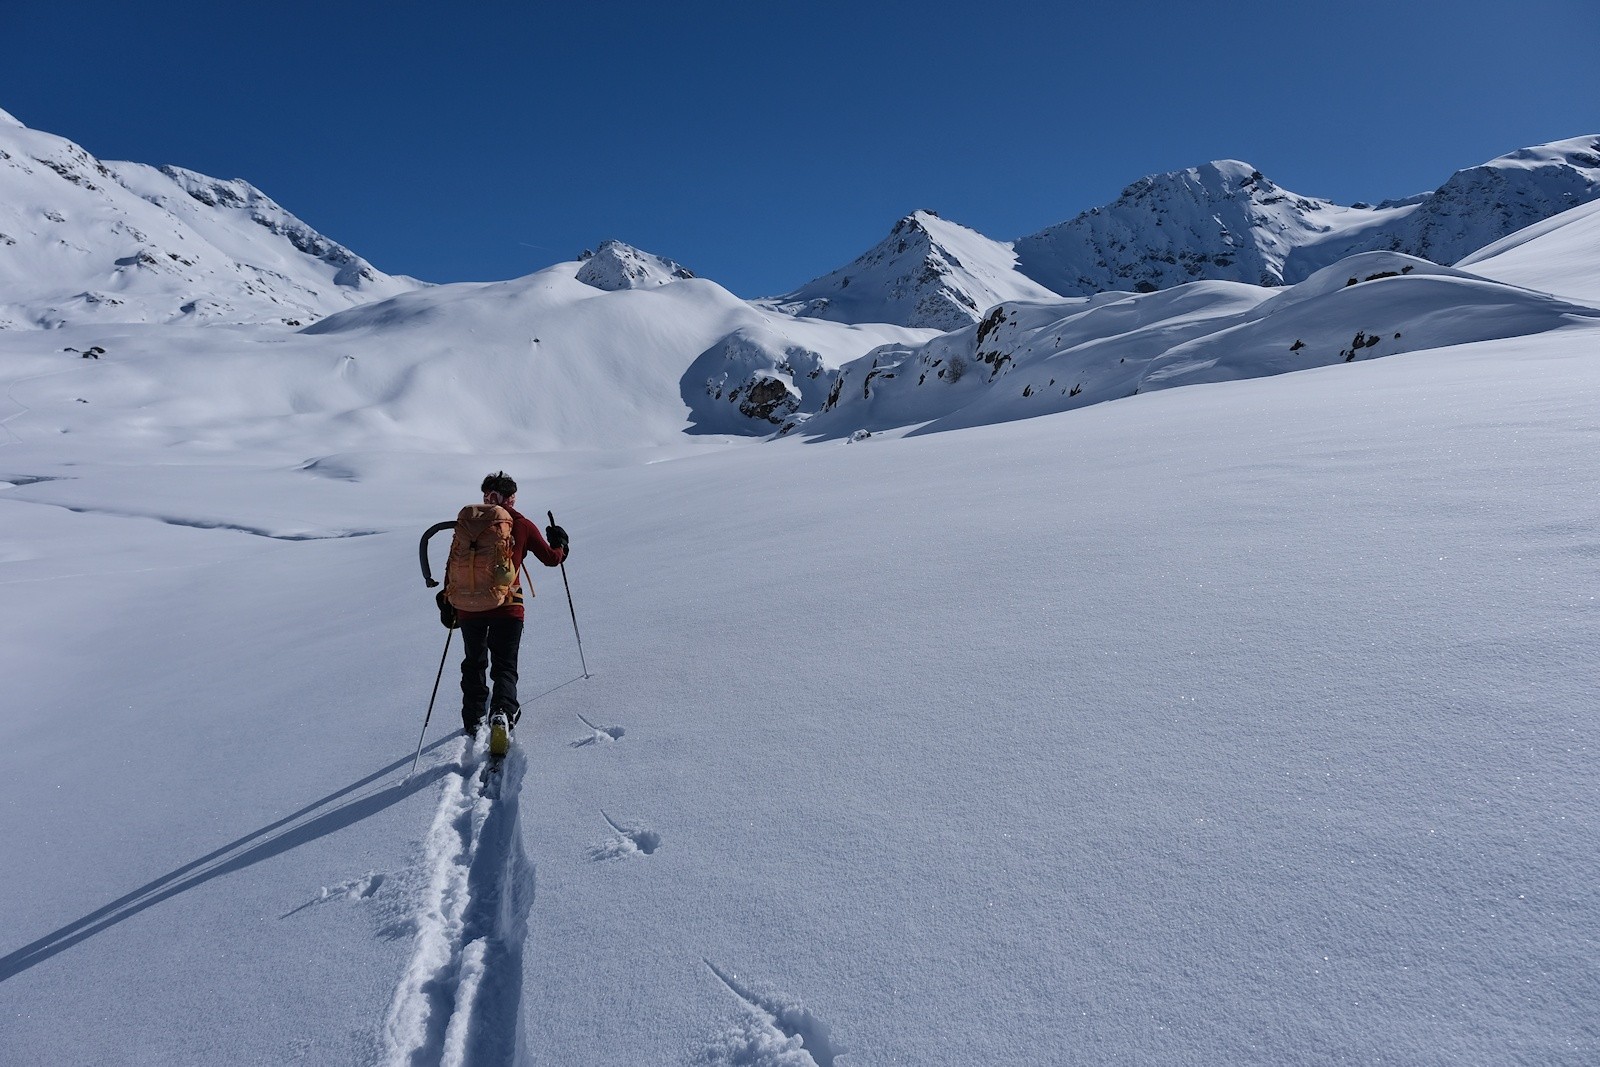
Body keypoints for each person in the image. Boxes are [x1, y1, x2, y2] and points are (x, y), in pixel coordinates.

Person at [448, 471, 568, 744]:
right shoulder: (520, 524)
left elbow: (455, 563)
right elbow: (551, 559)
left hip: (468, 606)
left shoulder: (467, 524)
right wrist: (560, 543)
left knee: (474, 662)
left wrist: (450, 599)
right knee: (504, 665)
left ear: (486, 496)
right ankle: (502, 712)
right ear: (508, 498)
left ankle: (473, 719)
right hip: (508, 605)